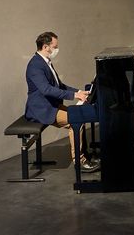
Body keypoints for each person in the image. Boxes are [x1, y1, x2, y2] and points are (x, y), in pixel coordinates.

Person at [24, 31, 100, 172]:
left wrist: (78, 92)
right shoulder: (35, 66)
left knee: (80, 117)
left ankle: (85, 155)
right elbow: (46, 89)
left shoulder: (45, 62)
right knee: (75, 122)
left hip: (51, 106)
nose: (57, 49)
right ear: (46, 47)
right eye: (55, 46)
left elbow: (59, 85)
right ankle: (80, 162)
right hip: (41, 109)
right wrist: (73, 95)